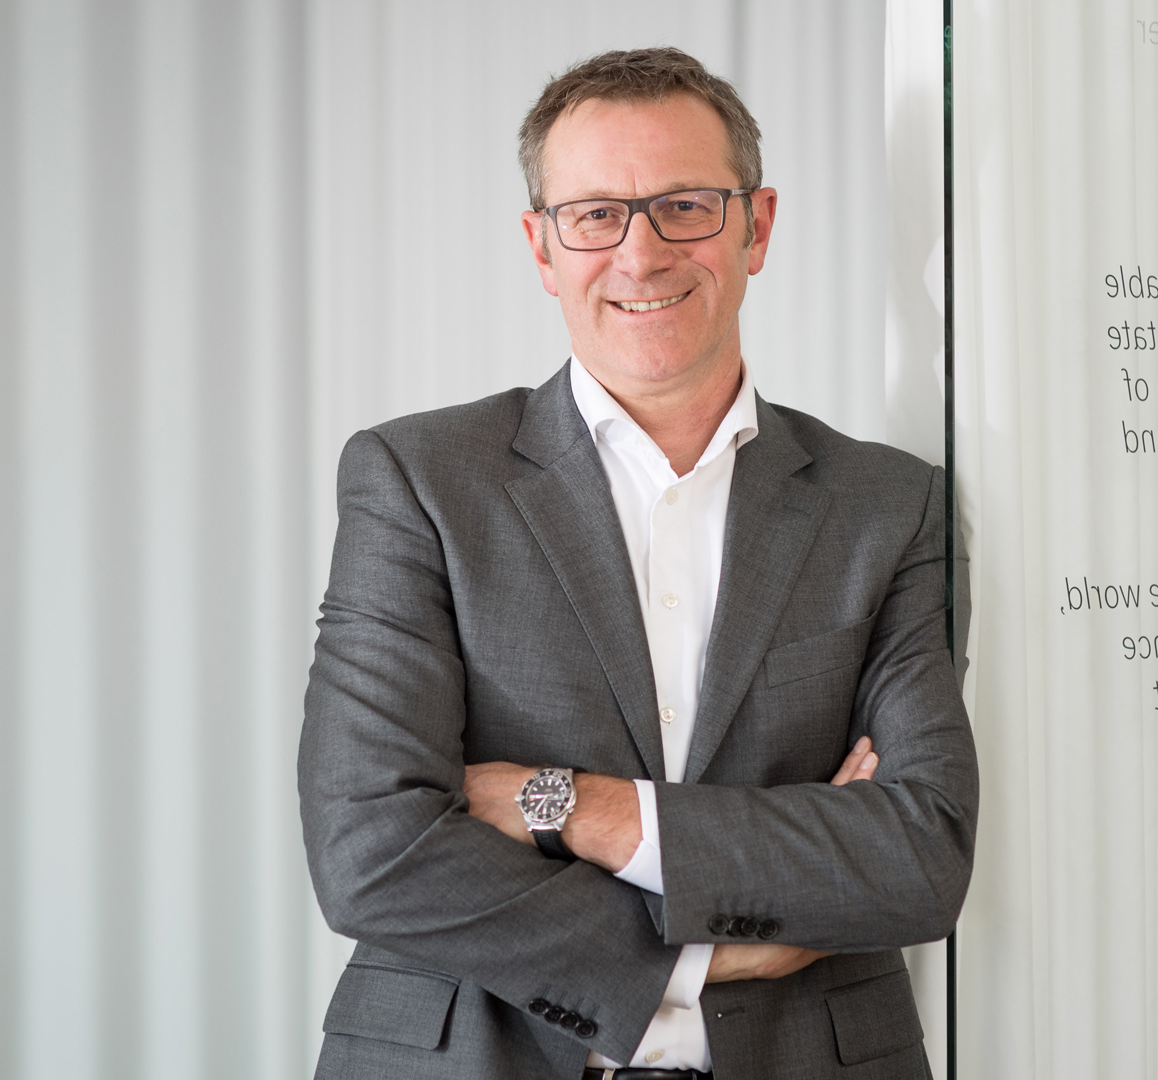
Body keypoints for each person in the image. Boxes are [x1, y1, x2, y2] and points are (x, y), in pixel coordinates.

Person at [300, 47, 978, 1080]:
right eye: (595, 215)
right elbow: (372, 851)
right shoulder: (418, 482)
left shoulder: (888, 507)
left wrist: (571, 806)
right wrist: (707, 954)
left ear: (757, 227)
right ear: (542, 247)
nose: (641, 253)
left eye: (686, 207)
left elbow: (918, 856)